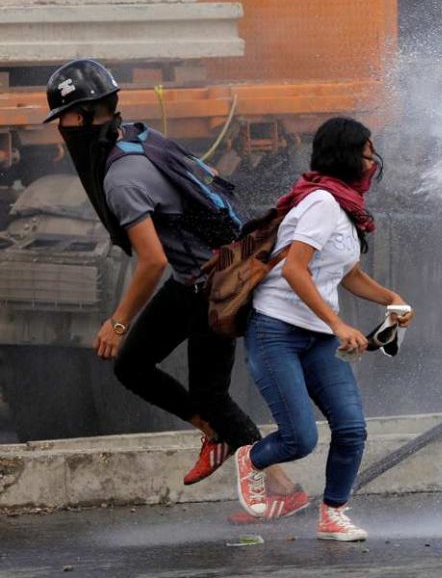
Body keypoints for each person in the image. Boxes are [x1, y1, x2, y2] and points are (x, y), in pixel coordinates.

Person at [44, 59, 302, 514]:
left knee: (208, 393)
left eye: (62, 118)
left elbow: (151, 260)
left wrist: (117, 322)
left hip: (215, 286)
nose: (59, 128)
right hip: (203, 275)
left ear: (81, 117)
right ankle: (216, 434)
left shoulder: (121, 178)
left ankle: (281, 486)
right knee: (133, 366)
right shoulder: (137, 138)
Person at [234, 116, 414, 541]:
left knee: (351, 428)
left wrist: (391, 298)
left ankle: (333, 513)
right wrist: (338, 324)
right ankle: (253, 458)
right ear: (348, 156)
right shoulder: (322, 203)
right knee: (299, 438)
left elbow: (345, 273)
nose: (373, 164)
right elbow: (296, 270)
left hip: (317, 335)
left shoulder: (346, 206)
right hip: (277, 330)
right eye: (368, 155)